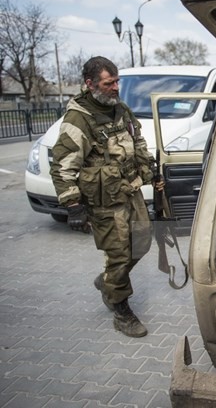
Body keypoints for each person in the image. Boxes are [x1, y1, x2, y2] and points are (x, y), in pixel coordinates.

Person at [50, 56, 163, 338]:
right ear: (90, 84)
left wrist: (150, 170)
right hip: (103, 201)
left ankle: (109, 280)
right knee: (119, 254)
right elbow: (62, 165)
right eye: (108, 83)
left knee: (142, 242)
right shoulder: (78, 119)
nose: (115, 87)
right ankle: (120, 308)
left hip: (129, 190)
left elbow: (137, 142)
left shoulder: (120, 109)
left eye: (116, 81)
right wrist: (73, 205)